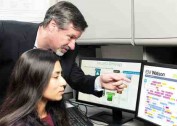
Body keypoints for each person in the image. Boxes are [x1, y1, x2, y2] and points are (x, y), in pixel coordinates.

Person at [0, 49, 135, 126]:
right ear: (35, 80)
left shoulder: (47, 110)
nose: (64, 82)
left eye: (62, 75)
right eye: (56, 76)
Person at [0, 1, 130, 104]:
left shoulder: (67, 51)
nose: (73, 46)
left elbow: (78, 80)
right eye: (70, 37)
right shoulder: (6, 32)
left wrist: (100, 82)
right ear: (52, 26)